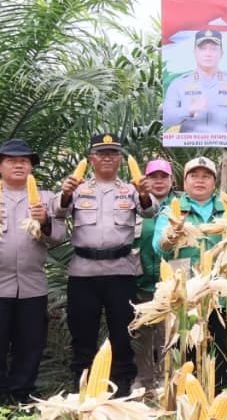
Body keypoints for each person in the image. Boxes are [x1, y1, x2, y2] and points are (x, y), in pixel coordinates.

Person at [0, 139, 66, 405]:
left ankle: (22, 395)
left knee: (30, 344)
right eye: (12, 161)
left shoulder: (46, 198)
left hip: (32, 285)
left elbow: (59, 236)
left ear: (31, 167)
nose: (19, 165)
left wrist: (45, 221)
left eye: (24, 161)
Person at [55, 133, 158, 397]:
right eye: (101, 153)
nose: (107, 158)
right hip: (83, 272)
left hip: (121, 270)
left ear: (120, 159)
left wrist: (144, 194)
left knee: (123, 334)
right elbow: (58, 212)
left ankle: (121, 389)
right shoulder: (77, 189)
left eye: (113, 153)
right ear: (91, 159)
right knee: (83, 334)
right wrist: (65, 193)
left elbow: (149, 211)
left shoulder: (131, 190)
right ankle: (82, 389)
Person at [152, 158, 227, 381]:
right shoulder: (172, 211)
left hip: (219, 294)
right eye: (194, 176)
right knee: (187, 355)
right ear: (184, 182)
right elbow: (159, 248)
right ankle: (186, 394)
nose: (200, 181)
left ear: (214, 182)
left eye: (206, 176)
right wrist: (170, 238)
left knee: (221, 354)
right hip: (184, 296)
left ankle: (219, 393)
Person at [132, 159, 174, 391]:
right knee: (141, 333)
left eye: (163, 177)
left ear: (171, 180)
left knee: (167, 333)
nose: (158, 182)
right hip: (141, 280)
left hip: (170, 283)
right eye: (153, 177)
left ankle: (167, 380)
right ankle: (144, 380)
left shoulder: (180, 205)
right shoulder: (134, 204)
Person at [162, 29, 227, 134]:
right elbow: (166, 119)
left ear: (221, 53)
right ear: (195, 52)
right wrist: (189, 110)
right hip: (190, 144)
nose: (208, 54)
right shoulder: (179, 84)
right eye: (203, 49)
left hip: (224, 143)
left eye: (213, 49)